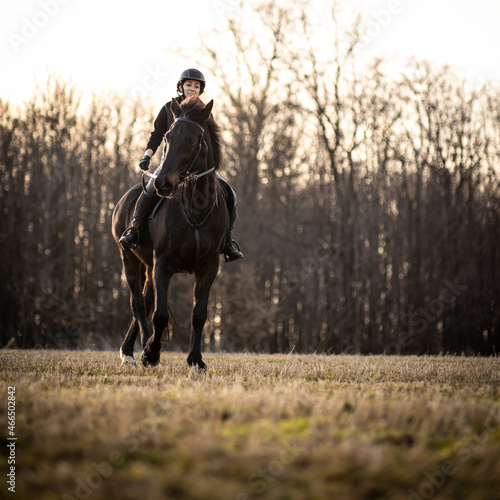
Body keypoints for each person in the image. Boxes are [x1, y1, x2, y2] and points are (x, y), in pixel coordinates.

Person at [119, 68, 243, 262]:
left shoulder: (205, 114)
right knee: (149, 190)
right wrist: (147, 155)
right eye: (188, 85)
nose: (192, 88)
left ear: (201, 89)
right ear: (180, 86)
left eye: (196, 86)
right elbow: (156, 134)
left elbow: (211, 144)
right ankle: (134, 230)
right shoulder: (168, 108)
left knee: (230, 194)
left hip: (198, 169)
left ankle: (227, 241)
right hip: (171, 166)